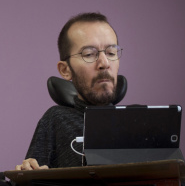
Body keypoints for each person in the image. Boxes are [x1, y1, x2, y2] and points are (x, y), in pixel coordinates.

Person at [16, 12, 122, 170]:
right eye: (89, 54)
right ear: (65, 70)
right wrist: (28, 175)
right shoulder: (56, 120)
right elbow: (33, 174)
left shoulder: (140, 121)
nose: (104, 63)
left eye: (111, 53)